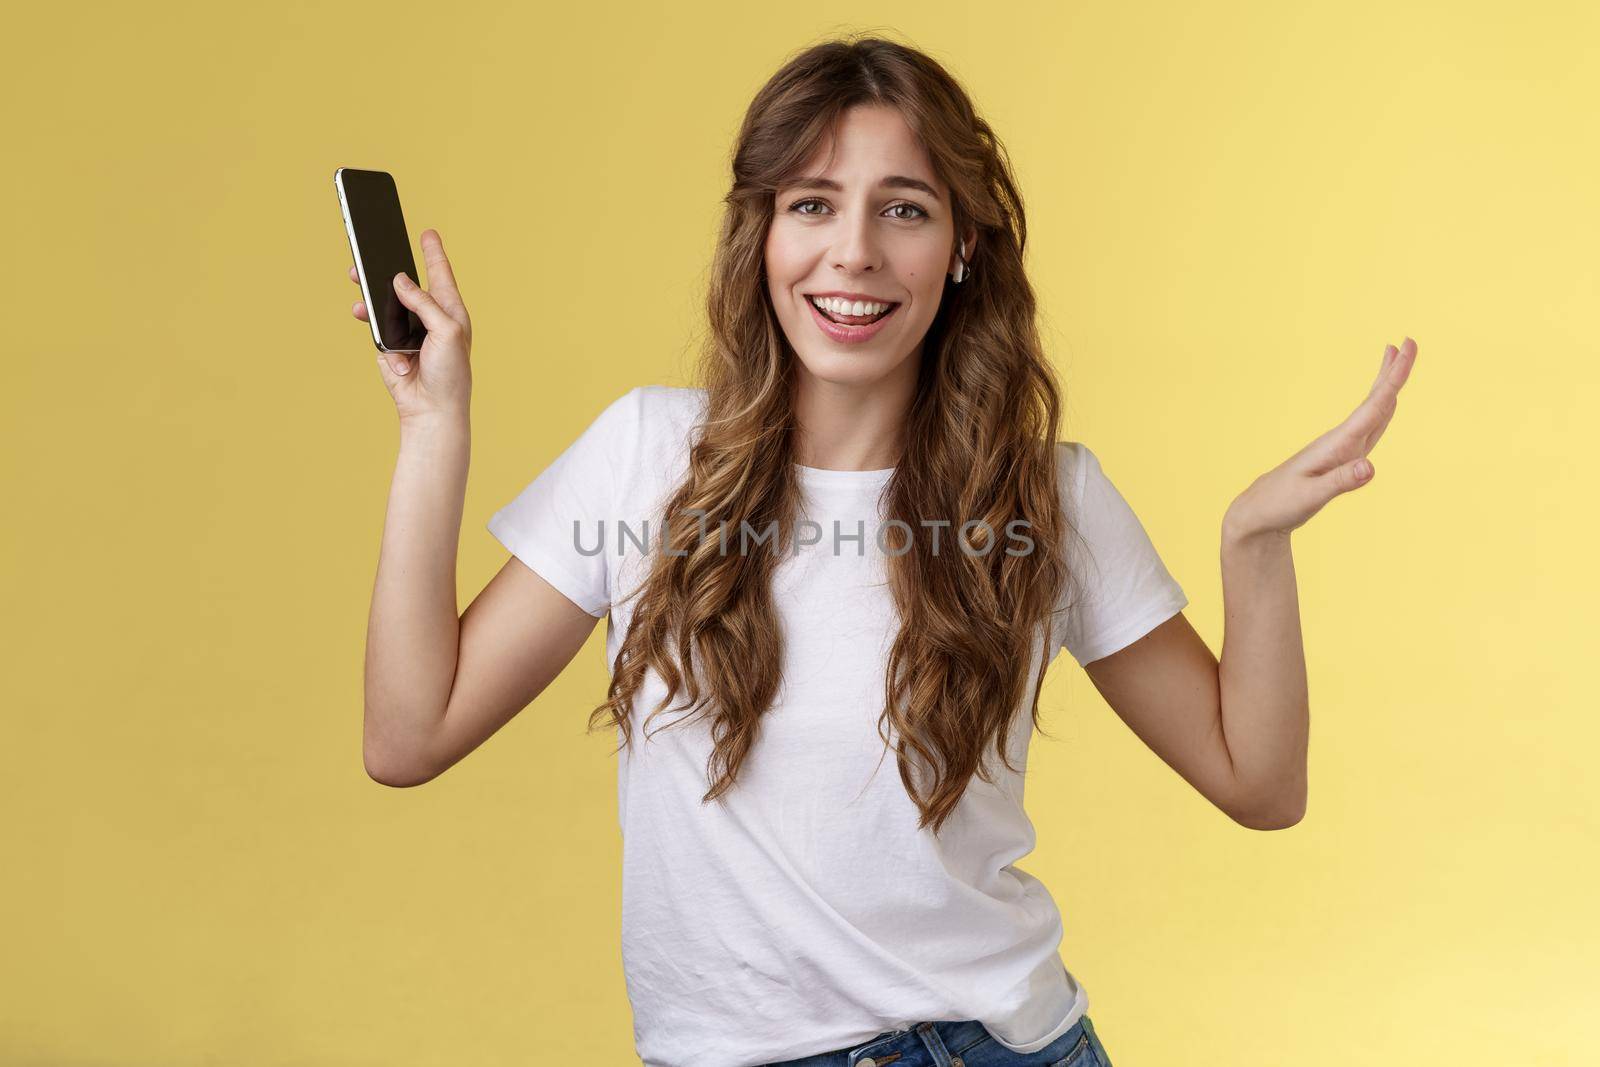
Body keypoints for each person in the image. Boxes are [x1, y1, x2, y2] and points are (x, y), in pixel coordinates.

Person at [354, 34, 1417, 1067]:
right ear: (761, 234)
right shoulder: (642, 457)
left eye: (902, 209)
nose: (853, 250)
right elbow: (410, 735)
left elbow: (1259, 782)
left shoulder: (1045, 498)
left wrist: (1254, 543)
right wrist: (432, 427)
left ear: (960, 246)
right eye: (811, 203)